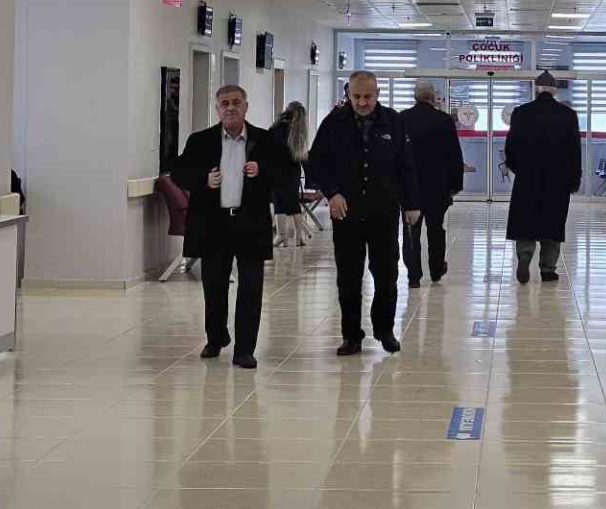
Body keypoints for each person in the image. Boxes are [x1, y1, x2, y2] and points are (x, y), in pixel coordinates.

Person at [173, 85, 290, 369]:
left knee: (251, 288)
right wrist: (204, 180)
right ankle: (215, 338)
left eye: (236, 102)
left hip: (250, 224)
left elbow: (286, 174)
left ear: (246, 107)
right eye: (224, 103)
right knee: (214, 287)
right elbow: (179, 173)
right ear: (217, 109)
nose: (230, 108)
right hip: (214, 225)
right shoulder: (200, 141)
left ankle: (245, 350)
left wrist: (262, 171)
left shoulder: (265, 141)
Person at [308, 71, 421, 356]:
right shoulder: (334, 123)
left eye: (367, 96)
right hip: (346, 212)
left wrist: (412, 204)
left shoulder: (393, 122)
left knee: (386, 274)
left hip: (383, 211)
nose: (361, 102)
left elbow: (406, 165)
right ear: (348, 94)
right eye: (356, 96)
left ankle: (384, 330)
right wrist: (332, 193)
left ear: (377, 94)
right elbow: (317, 163)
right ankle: (351, 336)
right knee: (348, 277)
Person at [504, 71, 581, 284]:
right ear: (554, 90)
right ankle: (548, 268)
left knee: (525, 219)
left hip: (527, 177)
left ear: (536, 89)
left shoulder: (521, 113)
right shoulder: (567, 115)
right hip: (558, 179)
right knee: (553, 223)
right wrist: (574, 178)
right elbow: (574, 151)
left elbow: (510, 146)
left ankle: (525, 254)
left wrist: (518, 168)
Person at [399, 81, 464, 287]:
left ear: (414, 96)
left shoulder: (402, 119)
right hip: (438, 186)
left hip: (410, 187)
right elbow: (454, 155)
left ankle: (413, 275)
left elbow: (396, 154)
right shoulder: (444, 120)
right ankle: (436, 269)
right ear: (433, 97)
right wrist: (455, 185)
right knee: (436, 229)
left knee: (411, 231)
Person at [270, 101, 313, 247]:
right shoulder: (298, 130)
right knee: (294, 203)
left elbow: (269, 148)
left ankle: (281, 236)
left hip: (278, 171)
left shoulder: (278, 127)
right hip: (293, 171)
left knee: (279, 203)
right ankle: (299, 237)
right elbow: (301, 156)